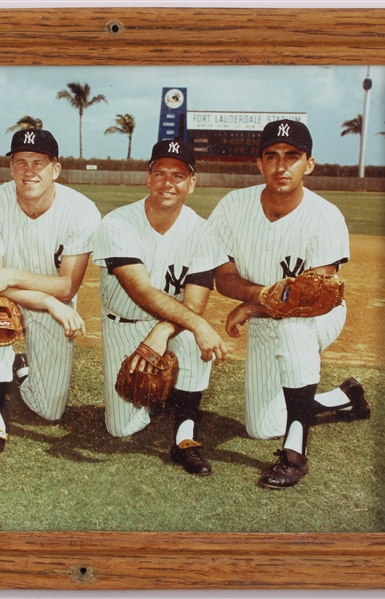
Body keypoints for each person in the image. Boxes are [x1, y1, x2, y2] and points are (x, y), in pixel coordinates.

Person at [207, 119, 371, 489]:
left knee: (295, 330)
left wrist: (250, 307)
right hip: (267, 320)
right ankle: (343, 397)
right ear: (260, 164)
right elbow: (224, 277)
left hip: (318, 317)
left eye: (292, 156)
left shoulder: (326, 216)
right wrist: (260, 299)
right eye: (272, 156)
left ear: (308, 164)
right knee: (260, 427)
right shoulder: (234, 206)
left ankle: (295, 453)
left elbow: (312, 298)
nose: (282, 166)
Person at [92, 139, 228, 476]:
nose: (169, 182)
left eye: (178, 175)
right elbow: (139, 289)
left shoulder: (203, 231)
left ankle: (185, 438)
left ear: (191, 184)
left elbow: (194, 303)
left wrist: (165, 329)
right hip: (123, 322)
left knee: (195, 340)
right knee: (121, 428)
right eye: (161, 173)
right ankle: (163, 399)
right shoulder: (118, 222)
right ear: (148, 178)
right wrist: (193, 323)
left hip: (171, 324)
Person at [0, 128, 101, 467]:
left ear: (55, 169)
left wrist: (12, 276)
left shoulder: (82, 211)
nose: (29, 171)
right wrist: (45, 300)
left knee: (49, 410)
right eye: (21, 162)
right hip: (11, 302)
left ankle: (18, 367)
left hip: (50, 304)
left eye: (39, 163)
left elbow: (67, 287)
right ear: (11, 167)